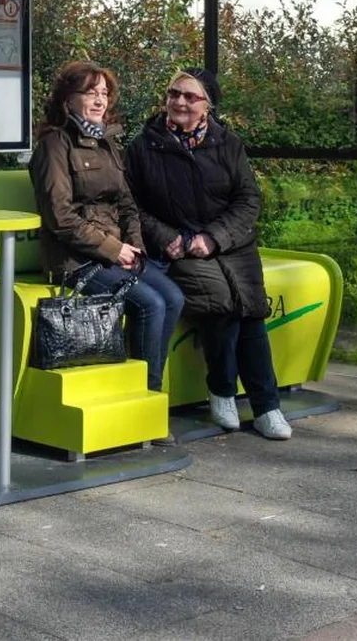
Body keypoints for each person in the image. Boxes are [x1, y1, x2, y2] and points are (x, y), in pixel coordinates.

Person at [124, 68, 292, 441]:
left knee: (251, 311)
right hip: (179, 247)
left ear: (207, 106)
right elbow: (131, 204)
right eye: (174, 93)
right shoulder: (143, 146)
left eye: (190, 96)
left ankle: (266, 406)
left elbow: (249, 199)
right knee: (221, 303)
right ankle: (224, 392)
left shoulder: (227, 143)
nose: (179, 101)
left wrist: (214, 237)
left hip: (230, 244)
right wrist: (166, 236)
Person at [29, 61, 185, 394]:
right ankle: (144, 396)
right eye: (90, 92)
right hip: (73, 260)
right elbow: (60, 216)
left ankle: (150, 393)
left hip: (116, 253)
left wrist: (134, 246)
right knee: (150, 304)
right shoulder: (54, 146)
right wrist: (114, 250)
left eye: (104, 93)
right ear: (67, 100)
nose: (100, 101)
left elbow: (127, 204)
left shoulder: (108, 144)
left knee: (172, 297)